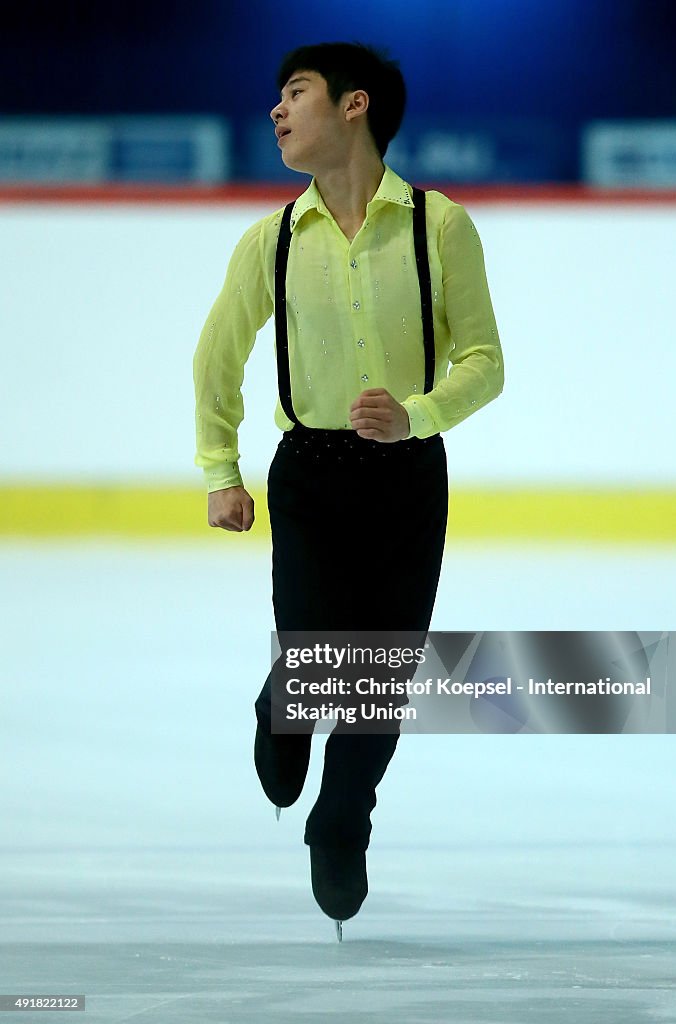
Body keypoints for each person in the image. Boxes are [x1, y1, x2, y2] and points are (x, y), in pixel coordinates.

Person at [193, 41, 504, 931]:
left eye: (294, 92)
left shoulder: (438, 226)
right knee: (320, 657)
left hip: (407, 473)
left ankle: (342, 818)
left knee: (382, 672)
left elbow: (485, 361)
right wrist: (221, 470)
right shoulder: (273, 237)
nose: (275, 110)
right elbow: (217, 355)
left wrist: (421, 412)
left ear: (354, 105)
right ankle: (283, 704)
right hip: (311, 475)